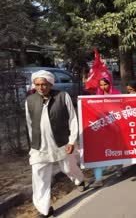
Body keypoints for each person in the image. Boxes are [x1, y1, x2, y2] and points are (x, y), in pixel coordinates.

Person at [26, 70, 85, 217]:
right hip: (39, 147)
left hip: (61, 143)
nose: (40, 87)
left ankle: (79, 180)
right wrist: (33, 144)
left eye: (44, 84)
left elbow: (72, 119)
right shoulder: (30, 100)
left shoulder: (62, 96)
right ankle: (44, 209)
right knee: (39, 177)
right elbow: (29, 124)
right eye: (37, 84)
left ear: (50, 84)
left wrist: (72, 141)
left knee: (68, 168)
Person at [92, 77, 120, 188]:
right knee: (100, 152)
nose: (104, 87)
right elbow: (93, 109)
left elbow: (120, 110)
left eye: (105, 84)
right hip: (101, 127)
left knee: (116, 148)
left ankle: (118, 167)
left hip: (115, 127)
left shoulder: (117, 94)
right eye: (101, 85)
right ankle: (98, 179)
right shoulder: (98, 96)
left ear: (110, 84)